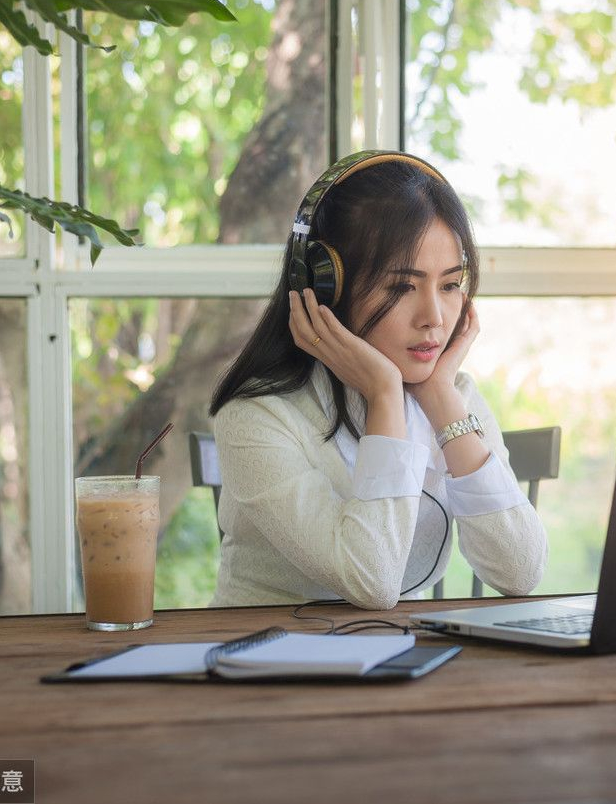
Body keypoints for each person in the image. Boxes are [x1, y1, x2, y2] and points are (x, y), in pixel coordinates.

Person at [207, 152, 548, 610]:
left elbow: (521, 571)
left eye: (449, 285)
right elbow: (373, 582)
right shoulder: (257, 417)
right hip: (271, 662)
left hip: (401, 659)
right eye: (401, 287)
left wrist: (441, 399)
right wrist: (385, 395)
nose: (434, 318)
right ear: (325, 287)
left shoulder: (452, 395)